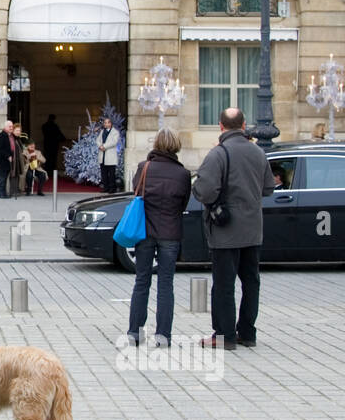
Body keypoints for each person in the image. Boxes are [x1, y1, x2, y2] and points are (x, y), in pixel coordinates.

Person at [192, 108, 276, 350]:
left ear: (220, 126)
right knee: (251, 282)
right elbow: (268, 188)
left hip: (225, 230)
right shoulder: (258, 152)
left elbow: (204, 191)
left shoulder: (218, 154)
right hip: (253, 229)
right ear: (244, 125)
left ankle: (225, 335)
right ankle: (247, 332)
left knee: (224, 284)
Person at [125, 128, 191, 348]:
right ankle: (163, 335)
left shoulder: (145, 168)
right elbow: (183, 204)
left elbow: (136, 191)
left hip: (145, 232)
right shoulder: (182, 174)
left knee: (141, 281)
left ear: (157, 145)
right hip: (170, 233)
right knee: (166, 284)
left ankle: (134, 332)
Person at [0, 120, 17, 199]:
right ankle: (1, 194)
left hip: (7, 162)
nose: (11, 128)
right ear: (5, 127)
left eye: (12, 126)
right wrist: (8, 156)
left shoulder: (10, 135)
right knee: (1, 178)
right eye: (9, 126)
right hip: (2, 162)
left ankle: (0, 193)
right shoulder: (2, 135)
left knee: (4, 178)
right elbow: (0, 149)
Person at [98, 117, 121, 193]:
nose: (106, 124)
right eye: (104, 123)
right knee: (104, 173)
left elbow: (114, 142)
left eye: (107, 122)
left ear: (110, 124)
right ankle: (106, 188)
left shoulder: (115, 132)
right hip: (102, 155)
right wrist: (100, 146)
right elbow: (97, 140)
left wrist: (104, 146)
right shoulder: (102, 131)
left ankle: (112, 189)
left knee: (111, 174)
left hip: (110, 156)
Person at [9, 121, 28, 197]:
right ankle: (12, 191)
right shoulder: (12, 139)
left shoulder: (18, 139)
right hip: (13, 160)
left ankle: (16, 190)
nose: (18, 132)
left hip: (18, 160)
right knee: (13, 175)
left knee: (17, 175)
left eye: (19, 130)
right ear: (13, 130)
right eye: (17, 130)